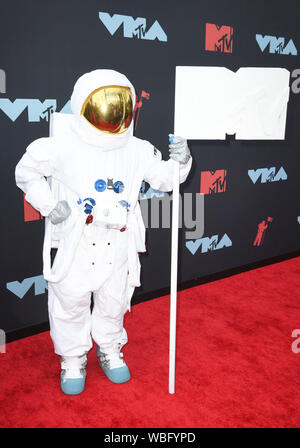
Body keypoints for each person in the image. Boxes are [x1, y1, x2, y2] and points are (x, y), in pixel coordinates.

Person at [15, 69, 192, 395]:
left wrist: (181, 161)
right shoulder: (62, 146)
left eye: (120, 106)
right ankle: (73, 357)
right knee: (71, 300)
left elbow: (166, 179)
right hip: (77, 240)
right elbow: (26, 172)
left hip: (119, 242)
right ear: (83, 105)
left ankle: (109, 349)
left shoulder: (137, 149)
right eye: (103, 106)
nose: (113, 115)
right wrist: (50, 205)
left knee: (114, 301)